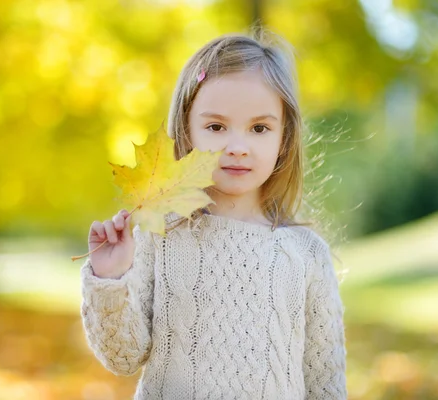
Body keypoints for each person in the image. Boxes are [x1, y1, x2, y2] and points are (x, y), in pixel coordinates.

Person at [79, 29, 347, 399]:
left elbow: (325, 380)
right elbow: (123, 357)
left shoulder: (307, 255)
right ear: (187, 133)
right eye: (216, 127)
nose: (237, 147)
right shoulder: (160, 235)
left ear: (284, 139)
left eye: (259, 128)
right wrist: (110, 280)